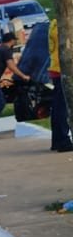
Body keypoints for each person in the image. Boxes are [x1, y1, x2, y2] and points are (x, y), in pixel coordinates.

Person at [49, 16, 72, 152]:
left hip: (56, 67)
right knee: (63, 108)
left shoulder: (54, 23)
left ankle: (57, 140)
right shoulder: (65, 24)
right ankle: (63, 140)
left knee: (58, 108)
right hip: (63, 68)